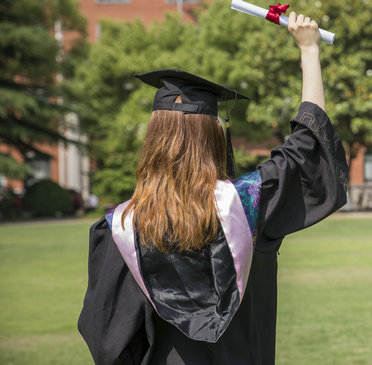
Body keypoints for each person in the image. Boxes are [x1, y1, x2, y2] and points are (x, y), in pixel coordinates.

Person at [78, 12, 348, 365]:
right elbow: (305, 150)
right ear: (214, 139)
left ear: (154, 141)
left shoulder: (121, 227)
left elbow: (108, 336)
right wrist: (309, 51)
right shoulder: (248, 204)